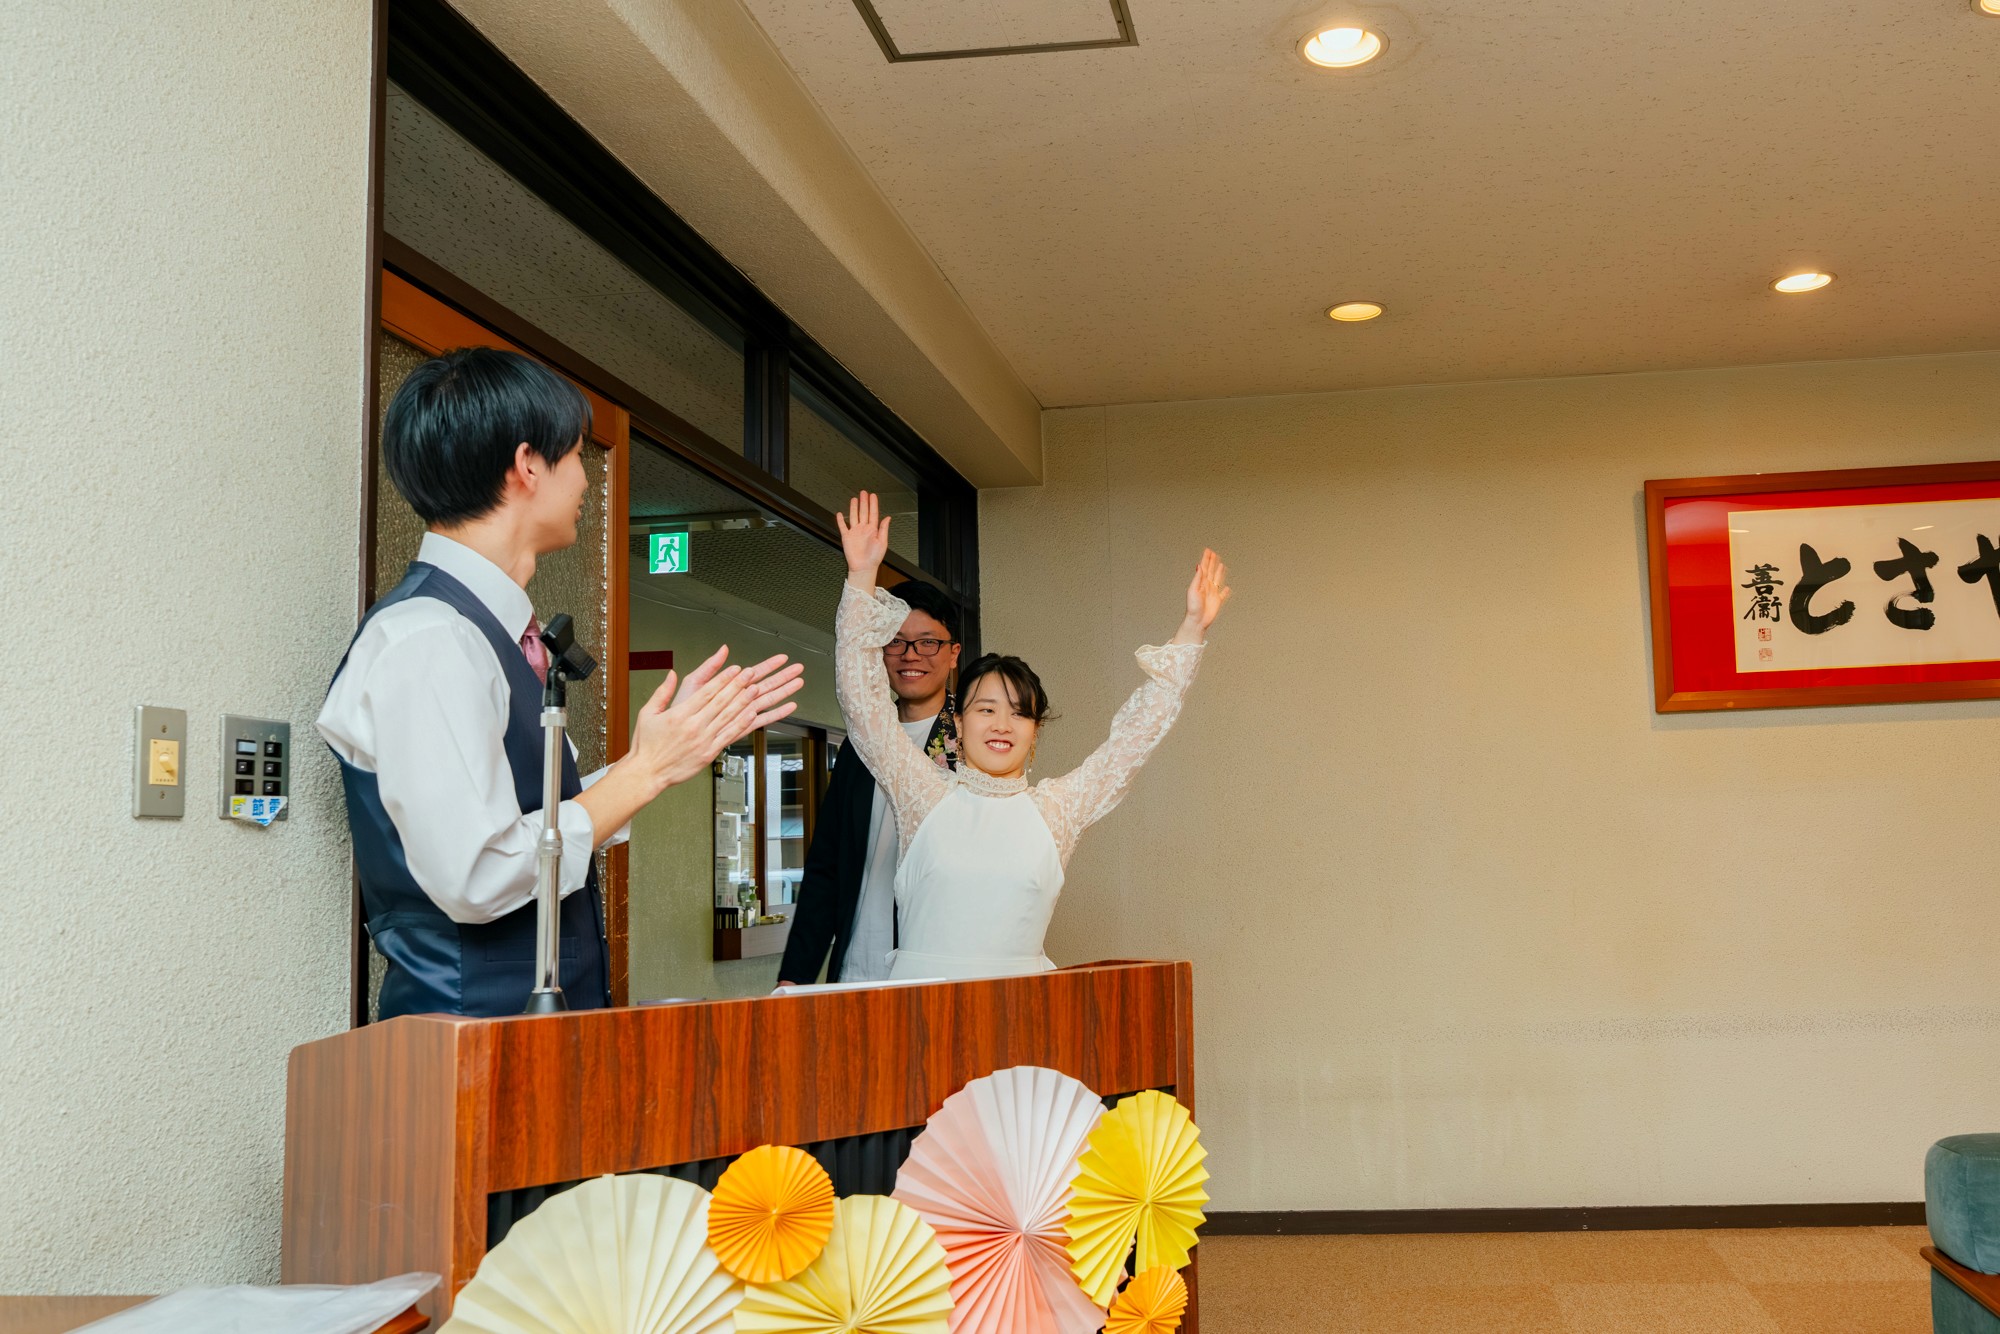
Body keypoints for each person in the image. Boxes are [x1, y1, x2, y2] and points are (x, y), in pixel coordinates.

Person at [318, 347, 802, 1019]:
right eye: (575, 455)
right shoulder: (429, 639)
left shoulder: (476, 632)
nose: (586, 480)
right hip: (469, 1044)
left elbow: (532, 824)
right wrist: (647, 771)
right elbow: (479, 872)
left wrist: (659, 756)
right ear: (527, 466)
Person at [832, 491, 1229, 981]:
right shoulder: (922, 794)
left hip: (1024, 1010)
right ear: (960, 723)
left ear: (1034, 731)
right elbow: (864, 706)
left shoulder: (1056, 810)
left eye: (1019, 714)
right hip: (920, 1009)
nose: (1002, 724)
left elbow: (1132, 741)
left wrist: (1192, 628)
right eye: (986, 709)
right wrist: (862, 577)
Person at [777, 580, 962, 985]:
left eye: (928, 642)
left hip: (932, 973)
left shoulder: (969, 744)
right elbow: (826, 866)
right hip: (854, 970)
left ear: (953, 654)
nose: (910, 655)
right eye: (895, 641)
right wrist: (794, 976)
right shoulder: (860, 746)